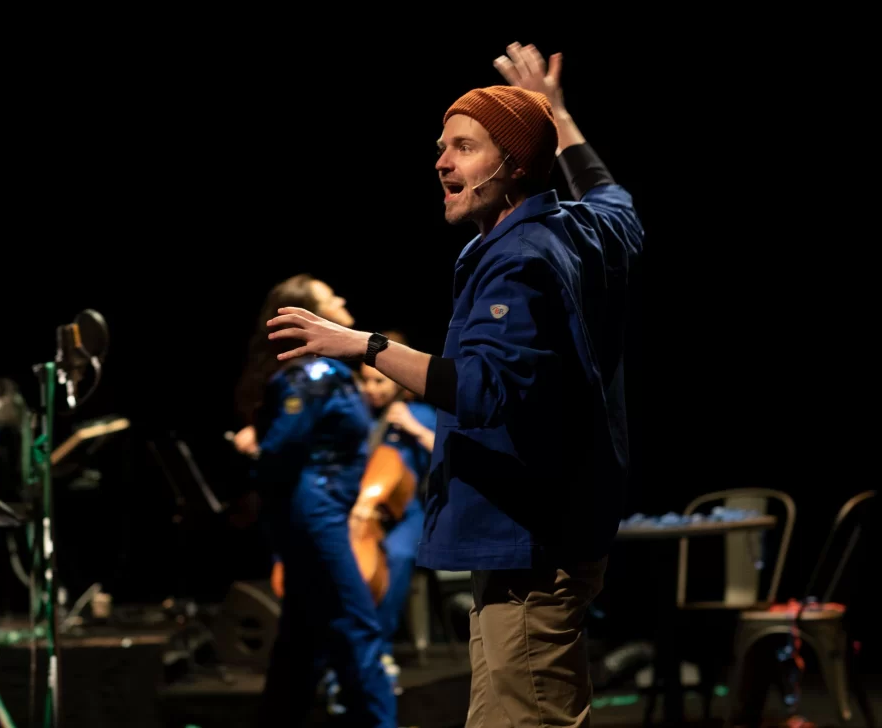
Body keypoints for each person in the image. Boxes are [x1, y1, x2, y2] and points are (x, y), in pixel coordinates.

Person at [264, 42, 643, 728]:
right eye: (442, 146)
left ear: (515, 163)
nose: (442, 161)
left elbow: (482, 390)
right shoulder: (584, 231)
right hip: (553, 536)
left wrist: (364, 345)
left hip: (529, 545)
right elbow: (617, 204)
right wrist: (557, 114)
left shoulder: (519, 258)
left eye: (465, 147)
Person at [234, 274, 394, 728]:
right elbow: (281, 449)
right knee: (357, 623)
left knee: (302, 632)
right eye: (330, 296)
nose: (341, 298)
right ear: (313, 314)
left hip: (321, 506)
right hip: (316, 509)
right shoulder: (314, 376)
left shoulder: (329, 372)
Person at [357, 331, 437, 661]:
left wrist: (414, 429)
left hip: (408, 512)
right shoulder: (360, 417)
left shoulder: (419, 414)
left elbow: (446, 452)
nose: (372, 389)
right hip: (362, 512)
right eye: (366, 382)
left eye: (379, 382)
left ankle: (378, 645)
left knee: (398, 555)